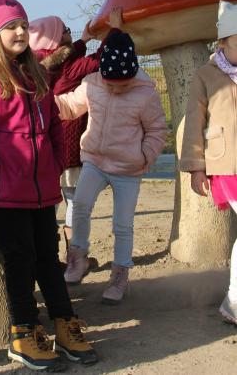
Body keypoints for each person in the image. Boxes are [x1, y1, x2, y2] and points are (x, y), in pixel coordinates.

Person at [0, 0, 98, 372]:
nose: (19, 32)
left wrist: (53, 164)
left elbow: (53, 127)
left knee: (48, 258)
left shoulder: (38, 77)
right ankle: (24, 332)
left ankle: (65, 324)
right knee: (20, 260)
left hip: (41, 190)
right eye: (10, 27)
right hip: (1, 194)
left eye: (22, 25)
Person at [56, 27, 167, 303]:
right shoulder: (93, 85)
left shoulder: (145, 94)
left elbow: (157, 129)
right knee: (80, 205)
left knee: (122, 224)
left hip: (128, 169)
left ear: (133, 73)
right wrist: (46, 103)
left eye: (123, 84)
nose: (116, 88)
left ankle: (119, 276)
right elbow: (69, 105)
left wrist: (144, 156)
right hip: (94, 160)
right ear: (102, 73)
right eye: (111, 83)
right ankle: (78, 258)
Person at [29, 9, 123, 260]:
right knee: (74, 200)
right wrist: (115, 31)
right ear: (56, 41)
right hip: (68, 145)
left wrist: (83, 39)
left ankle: (46, 256)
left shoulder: (39, 66)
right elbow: (98, 60)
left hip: (45, 147)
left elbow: (68, 57)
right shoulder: (70, 68)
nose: (69, 34)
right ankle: (75, 256)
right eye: (66, 31)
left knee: (49, 202)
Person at [180, 0, 237, 326]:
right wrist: (195, 166)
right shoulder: (205, 75)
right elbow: (194, 121)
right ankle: (234, 300)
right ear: (223, 42)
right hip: (226, 164)